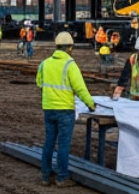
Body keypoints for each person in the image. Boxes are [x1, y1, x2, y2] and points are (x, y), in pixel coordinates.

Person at [37, 31, 96, 187]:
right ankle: (62, 177)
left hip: (48, 109)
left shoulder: (44, 64)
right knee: (63, 144)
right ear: (70, 48)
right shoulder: (70, 64)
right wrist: (90, 104)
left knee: (49, 142)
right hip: (65, 111)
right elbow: (80, 88)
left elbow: (39, 83)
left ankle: (45, 176)